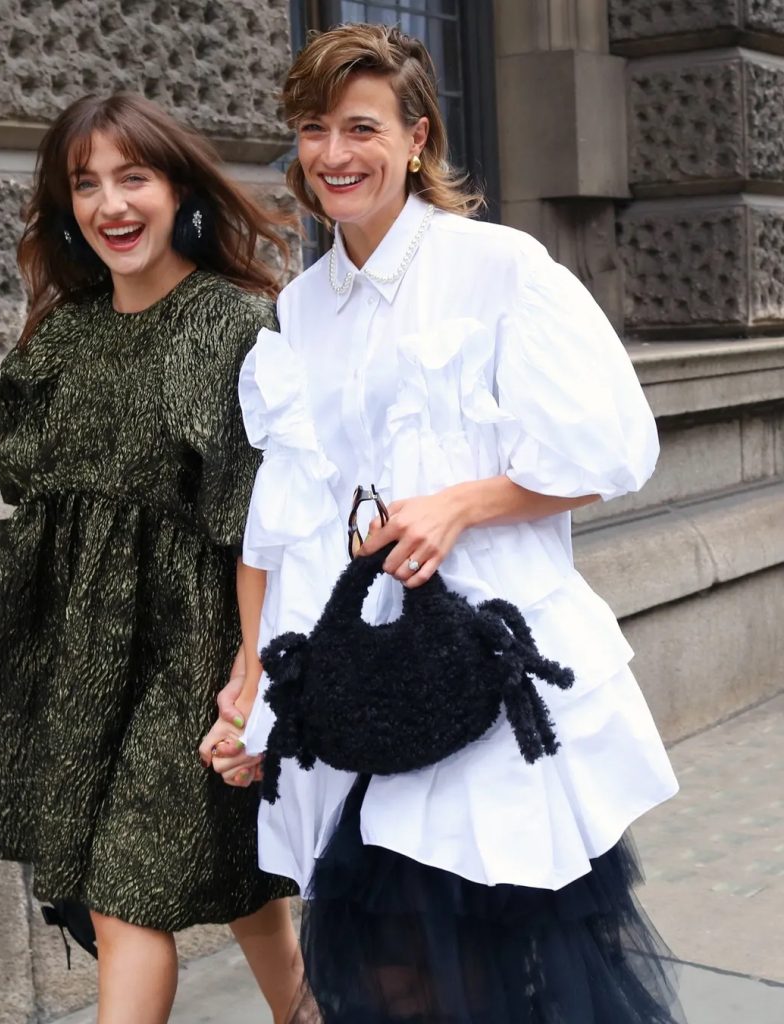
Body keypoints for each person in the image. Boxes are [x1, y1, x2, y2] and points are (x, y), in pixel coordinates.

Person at [203, 24, 688, 1024]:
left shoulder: (498, 268)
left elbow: (609, 448)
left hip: (485, 676)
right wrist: (257, 694)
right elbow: (293, 520)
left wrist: (464, 502)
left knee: (495, 973)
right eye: (314, 129)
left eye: (361, 127)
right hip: (367, 681)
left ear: (416, 137)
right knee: (393, 979)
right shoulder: (301, 310)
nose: (334, 153)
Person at [0, 93, 303, 1024]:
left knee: (127, 891)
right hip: (77, 652)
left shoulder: (232, 325)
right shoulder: (64, 335)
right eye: (86, 184)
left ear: (177, 188)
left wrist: (253, 667)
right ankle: (308, 1011)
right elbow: (31, 490)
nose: (111, 204)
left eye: (132, 176)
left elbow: (259, 518)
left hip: (190, 647)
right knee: (229, 869)